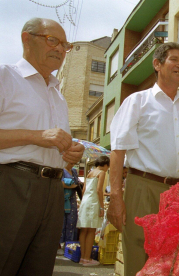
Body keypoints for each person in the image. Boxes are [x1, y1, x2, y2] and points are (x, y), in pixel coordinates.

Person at [107, 42, 179, 276]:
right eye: (174, 60)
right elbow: (118, 152)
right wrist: (116, 198)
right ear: (157, 64)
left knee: (176, 259)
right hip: (142, 188)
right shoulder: (137, 102)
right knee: (139, 257)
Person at [0, 18, 84, 276]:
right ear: (27, 38)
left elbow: (55, 150)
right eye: (52, 40)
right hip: (13, 185)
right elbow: (41, 138)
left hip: (53, 190)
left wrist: (69, 156)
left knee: (39, 268)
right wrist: (36, 136)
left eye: (65, 45)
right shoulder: (6, 76)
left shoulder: (57, 94)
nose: (59, 49)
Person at [77, 155, 109, 266]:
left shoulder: (90, 172)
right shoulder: (102, 173)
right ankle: (87, 258)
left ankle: (82, 257)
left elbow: (84, 189)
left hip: (85, 200)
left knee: (84, 230)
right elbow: (99, 190)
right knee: (91, 230)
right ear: (105, 165)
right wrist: (101, 207)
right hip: (93, 202)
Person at [58, 162, 82, 256]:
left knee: (72, 220)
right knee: (61, 221)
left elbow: (77, 182)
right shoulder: (61, 169)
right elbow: (61, 183)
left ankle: (69, 244)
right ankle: (59, 245)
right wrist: (74, 186)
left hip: (72, 198)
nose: (72, 164)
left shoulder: (74, 171)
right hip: (62, 198)